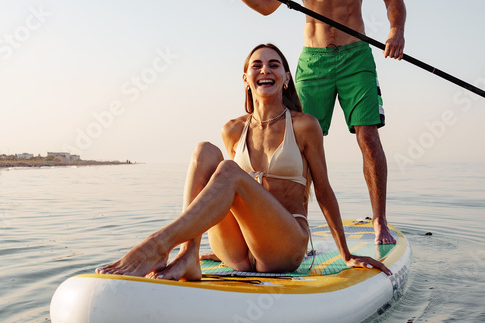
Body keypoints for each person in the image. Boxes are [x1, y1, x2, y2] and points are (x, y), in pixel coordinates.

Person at [209, 0, 406, 245]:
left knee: (367, 136)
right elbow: (268, 4)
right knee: (299, 140)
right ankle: (295, 223)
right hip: (313, 61)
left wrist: (396, 30)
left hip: (356, 56)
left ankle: (379, 222)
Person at [97, 44, 389, 280]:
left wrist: (346, 253)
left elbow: (323, 190)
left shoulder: (304, 126)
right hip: (239, 250)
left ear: (287, 78)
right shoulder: (233, 129)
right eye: (257, 65)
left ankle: (156, 245)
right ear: (246, 79)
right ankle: (188, 253)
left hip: (283, 248)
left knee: (230, 171)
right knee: (205, 152)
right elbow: (224, 198)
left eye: (274, 65)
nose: (265, 70)